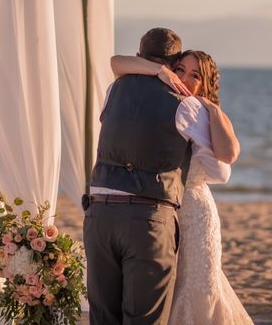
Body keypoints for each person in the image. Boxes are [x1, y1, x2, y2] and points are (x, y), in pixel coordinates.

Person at [83, 27, 236, 325]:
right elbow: (224, 163)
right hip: (148, 219)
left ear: (141, 57)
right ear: (172, 65)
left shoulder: (114, 90)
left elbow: (117, 63)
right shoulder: (186, 105)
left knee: (103, 318)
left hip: (99, 213)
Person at [111, 49, 253, 325]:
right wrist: (159, 71)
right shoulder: (166, 102)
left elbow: (227, 161)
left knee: (198, 287)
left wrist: (211, 108)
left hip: (195, 214)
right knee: (167, 289)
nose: (185, 79)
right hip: (162, 210)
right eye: (180, 70)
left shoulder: (201, 113)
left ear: (205, 83)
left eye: (195, 75)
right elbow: (116, 63)